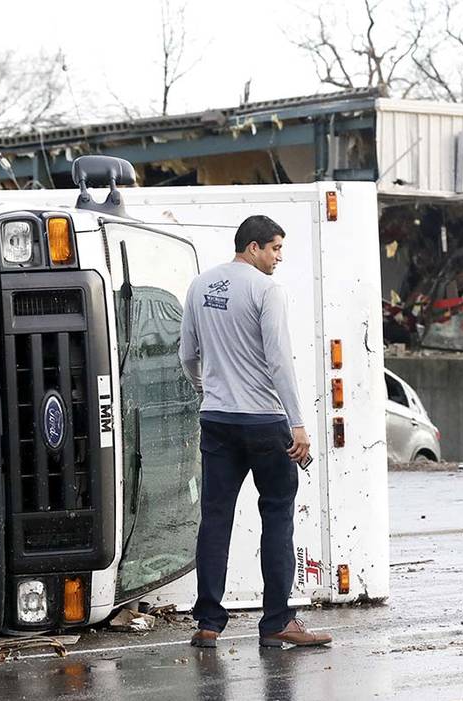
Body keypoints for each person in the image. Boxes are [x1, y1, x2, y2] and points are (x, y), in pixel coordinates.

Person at [178, 214, 331, 649]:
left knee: (215, 519)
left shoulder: (200, 286)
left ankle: (208, 622)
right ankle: (277, 622)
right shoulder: (266, 290)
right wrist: (297, 423)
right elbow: (279, 360)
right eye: (275, 249)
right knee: (278, 516)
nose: (279, 258)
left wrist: (204, 389)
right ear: (253, 248)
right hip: (265, 421)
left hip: (218, 420)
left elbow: (187, 353)